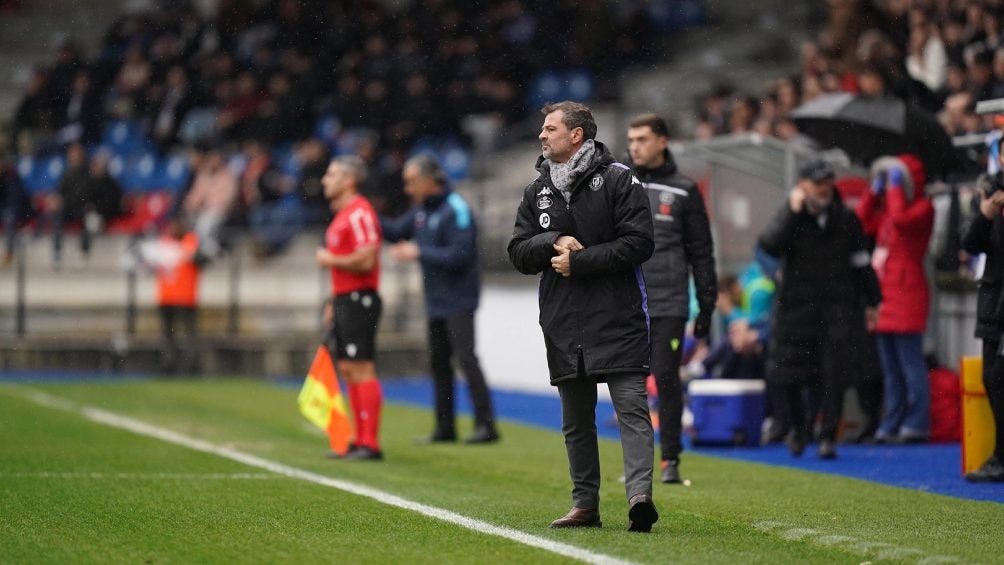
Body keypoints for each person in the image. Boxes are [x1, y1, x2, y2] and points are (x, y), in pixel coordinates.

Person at [508, 101, 658, 532]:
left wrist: (583, 261)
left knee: (631, 408)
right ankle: (584, 504)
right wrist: (553, 240)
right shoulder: (535, 190)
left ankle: (639, 499)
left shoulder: (618, 179)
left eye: (550, 128)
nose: (541, 134)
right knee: (576, 420)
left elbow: (640, 242)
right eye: (542, 127)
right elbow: (518, 252)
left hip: (618, 316)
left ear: (577, 135)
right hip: (563, 320)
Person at [757, 159, 881, 460]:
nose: (824, 189)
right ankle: (799, 429)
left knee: (832, 376)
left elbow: (862, 262)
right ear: (803, 185)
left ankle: (827, 436)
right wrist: (792, 210)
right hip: (796, 311)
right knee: (788, 376)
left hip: (837, 309)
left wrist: (874, 301)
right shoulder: (792, 216)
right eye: (817, 183)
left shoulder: (845, 218)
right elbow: (770, 245)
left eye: (827, 182)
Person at [381, 154, 499, 444]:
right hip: (435, 300)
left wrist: (419, 252)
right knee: (439, 363)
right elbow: (396, 231)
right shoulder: (423, 210)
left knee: (466, 359)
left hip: (459, 298)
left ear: (429, 181)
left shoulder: (456, 209)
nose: (407, 189)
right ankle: (445, 427)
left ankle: (486, 426)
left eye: (411, 182)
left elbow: (460, 255)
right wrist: (364, 212)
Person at [626, 112, 717, 484]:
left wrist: (707, 306)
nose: (635, 147)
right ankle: (638, 462)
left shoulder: (684, 189)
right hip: (627, 301)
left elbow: (702, 252)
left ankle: (671, 459)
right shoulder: (621, 183)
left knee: (665, 376)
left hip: (669, 301)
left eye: (642, 139)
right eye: (631, 141)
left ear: (662, 141)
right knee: (629, 382)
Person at [857, 155, 934, 444]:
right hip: (886, 296)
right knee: (890, 369)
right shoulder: (891, 207)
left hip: (908, 294)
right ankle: (891, 422)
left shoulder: (923, 208)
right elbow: (862, 222)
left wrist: (893, 189)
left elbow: (902, 220)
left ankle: (916, 423)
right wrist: (872, 192)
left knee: (911, 365)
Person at [315, 155, 385, 461]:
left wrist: (331, 260)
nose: (324, 180)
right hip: (345, 298)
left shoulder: (359, 213)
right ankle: (359, 439)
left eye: (331, 174)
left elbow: (368, 258)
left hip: (360, 298)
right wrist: (333, 300)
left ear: (349, 180)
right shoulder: (344, 214)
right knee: (348, 368)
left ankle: (370, 443)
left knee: (362, 367)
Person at [960, 154, 1004, 482]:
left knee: (999, 379)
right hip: (994, 302)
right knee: (992, 379)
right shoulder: (993, 190)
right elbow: (970, 245)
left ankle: (1001, 457)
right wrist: (985, 214)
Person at [153, 217, 201, 375]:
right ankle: (169, 363)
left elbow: (194, 258)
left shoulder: (190, 241)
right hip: (166, 296)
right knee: (168, 334)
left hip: (185, 296)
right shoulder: (164, 242)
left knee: (188, 333)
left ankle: (190, 365)